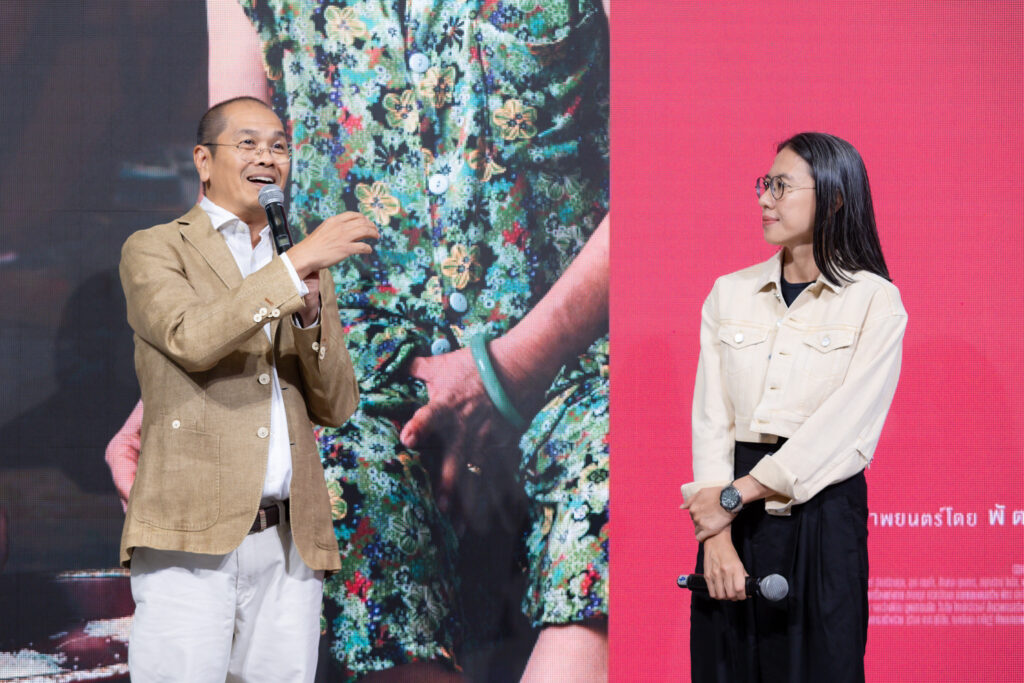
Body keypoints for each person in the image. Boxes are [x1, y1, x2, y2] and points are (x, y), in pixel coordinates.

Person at [109, 0, 610, 680]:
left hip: (584, 352)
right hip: (365, 365)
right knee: (318, 478)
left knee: (625, 470)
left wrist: (516, 363)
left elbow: (672, 158)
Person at [118, 96, 378, 682]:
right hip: (190, 539)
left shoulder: (300, 264)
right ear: (203, 161)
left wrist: (311, 313)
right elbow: (189, 337)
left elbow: (337, 405)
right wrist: (293, 268)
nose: (268, 157)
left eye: (279, 146)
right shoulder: (155, 248)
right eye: (249, 144)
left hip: (289, 543)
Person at [681, 132, 907, 682]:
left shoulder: (874, 300)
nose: (765, 199)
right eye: (765, 184)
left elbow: (843, 431)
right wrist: (716, 536)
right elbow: (712, 421)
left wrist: (736, 496)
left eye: (781, 186)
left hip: (822, 517)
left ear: (833, 198)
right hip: (733, 521)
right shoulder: (729, 293)